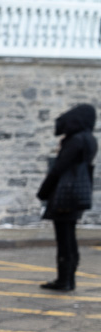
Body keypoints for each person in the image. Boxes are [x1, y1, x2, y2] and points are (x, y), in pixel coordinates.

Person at [36, 104, 97, 291]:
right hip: (78, 193)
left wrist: (43, 191)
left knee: (65, 239)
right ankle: (68, 278)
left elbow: (59, 168)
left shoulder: (75, 140)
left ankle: (65, 279)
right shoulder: (89, 139)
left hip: (65, 193)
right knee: (69, 237)